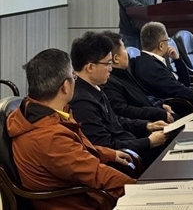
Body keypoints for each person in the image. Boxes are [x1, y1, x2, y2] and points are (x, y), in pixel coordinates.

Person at [6, 48, 135, 210]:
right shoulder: (49, 136)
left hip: (82, 194)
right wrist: (140, 189)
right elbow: (96, 174)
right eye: (73, 76)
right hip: (80, 204)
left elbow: (75, 152)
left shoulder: (38, 111)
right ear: (66, 86)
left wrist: (110, 153)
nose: (76, 80)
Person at [69, 32, 169, 167]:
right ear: (90, 67)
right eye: (107, 64)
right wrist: (148, 142)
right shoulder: (82, 103)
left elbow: (115, 121)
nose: (110, 69)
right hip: (124, 160)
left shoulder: (95, 88)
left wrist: (147, 125)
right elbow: (106, 146)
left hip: (131, 145)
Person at [102, 31, 175, 123]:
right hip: (147, 124)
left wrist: (160, 105)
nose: (127, 53)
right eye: (124, 48)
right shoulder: (110, 82)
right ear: (116, 59)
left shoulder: (124, 73)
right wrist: (157, 113)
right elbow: (123, 111)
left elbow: (143, 98)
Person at [131, 21, 193, 109]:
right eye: (167, 40)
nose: (168, 43)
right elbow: (179, 90)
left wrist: (177, 60)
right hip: (174, 109)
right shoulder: (151, 67)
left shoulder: (147, 60)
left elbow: (184, 83)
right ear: (161, 45)